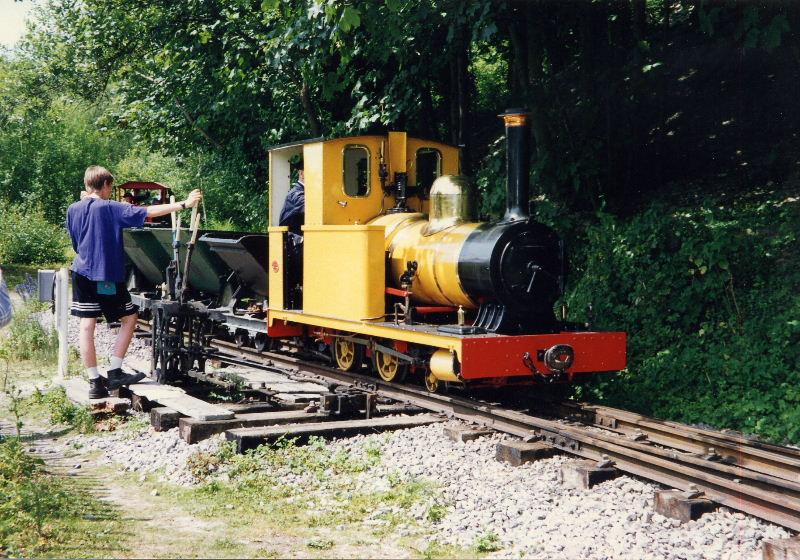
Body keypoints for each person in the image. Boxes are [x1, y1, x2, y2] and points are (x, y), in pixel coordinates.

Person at [67, 165, 202, 398]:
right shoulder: (110, 207)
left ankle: (94, 383)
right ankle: (115, 371)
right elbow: (148, 211)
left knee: (86, 326)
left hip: (80, 272)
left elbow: (76, 243)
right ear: (106, 185)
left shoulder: (73, 209)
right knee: (129, 318)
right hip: (105, 274)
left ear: (87, 184)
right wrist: (184, 204)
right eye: (111, 187)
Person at [279, 159, 305, 232]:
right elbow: (309, 208)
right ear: (302, 173)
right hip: (292, 239)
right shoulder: (296, 193)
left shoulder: (308, 192)